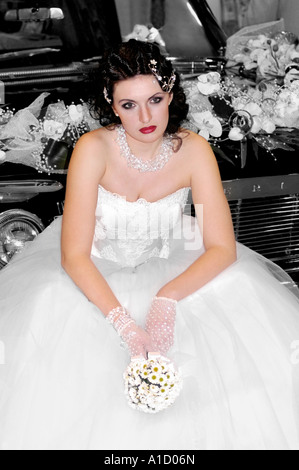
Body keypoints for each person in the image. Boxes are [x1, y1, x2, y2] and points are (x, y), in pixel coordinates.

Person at [0, 39, 299, 451]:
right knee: (53, 308)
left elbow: (222, 248)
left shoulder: (194, 149)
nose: (145, 117)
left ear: (171, 93)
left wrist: (166, 298)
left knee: (237, 293)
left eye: (155, 100)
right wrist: (124, 323)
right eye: (128, 105)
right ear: (110, 102)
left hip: (169, 266)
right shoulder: (93, 149)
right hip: (94, 271)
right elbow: (74, 255)